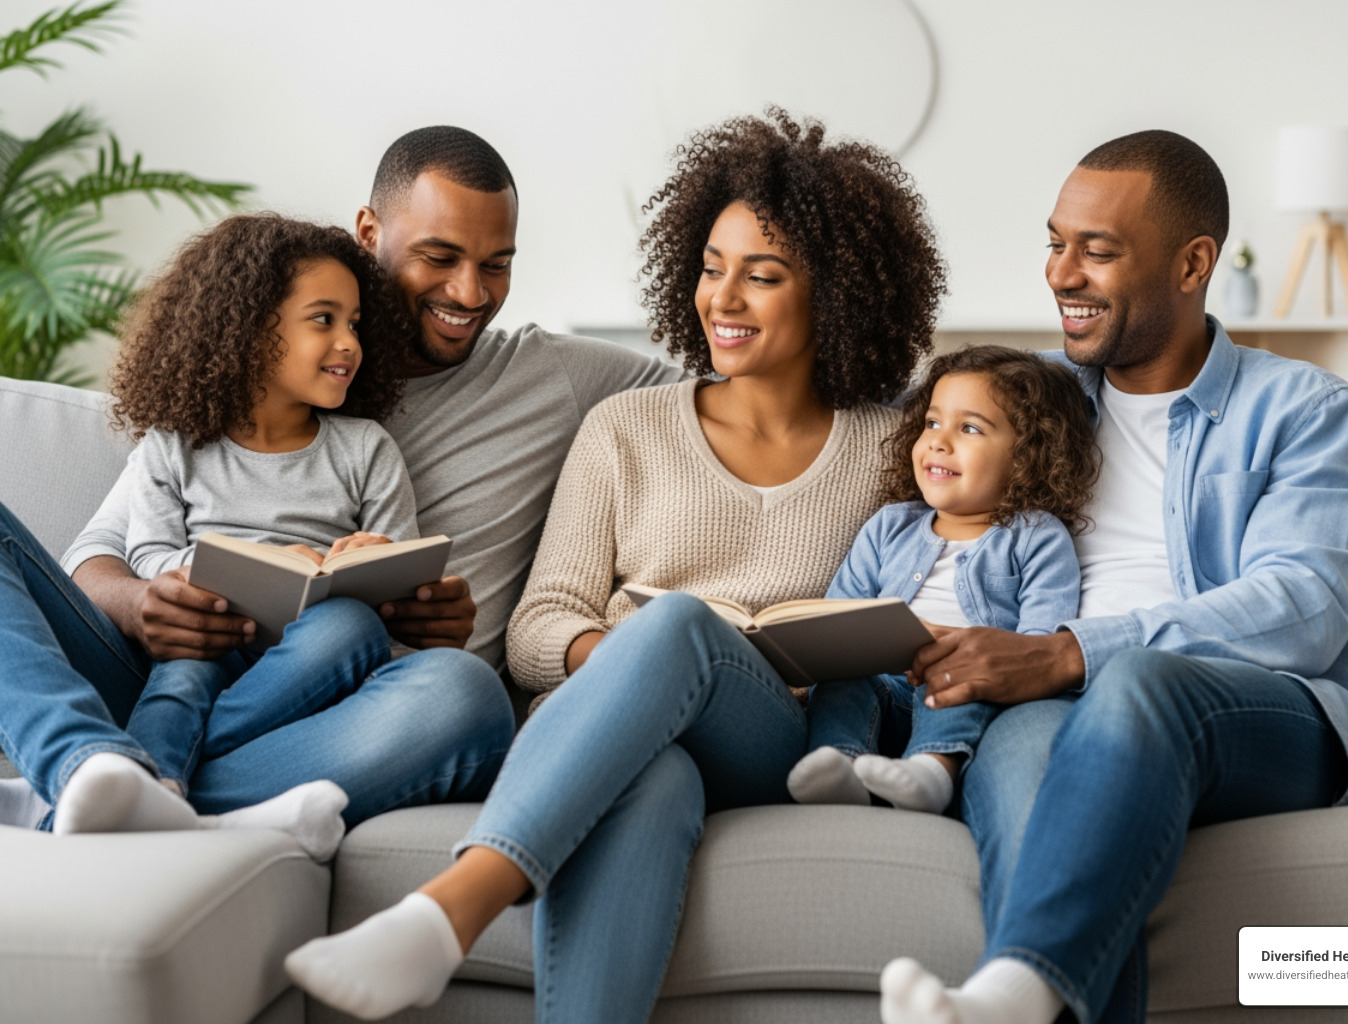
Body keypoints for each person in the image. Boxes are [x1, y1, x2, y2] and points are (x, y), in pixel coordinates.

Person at [284, 109, 948, 1023]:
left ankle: (454, 908)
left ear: (833, 293)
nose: (724, 299)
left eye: (762, 277)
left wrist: (689, 647)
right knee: (656, 761)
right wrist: (636, 665)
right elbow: (538, 627)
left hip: (772, 738)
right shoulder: (625, 427)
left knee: (678, 621)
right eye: (712, 270)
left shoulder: (896, 449)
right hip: (615, 727)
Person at [877, 131, 1348, 1024]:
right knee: (1024, 771)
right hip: (1049, 701)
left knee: (1137, 678)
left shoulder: (1304, 409)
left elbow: (1304, 607)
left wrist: (1064, 655)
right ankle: (1012, 996)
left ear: (1192, 263)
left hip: (1259, 708)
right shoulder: (1029, 402)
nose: (1062, 273)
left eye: (1097, 252)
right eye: (1055, 242)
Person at [0, 125, 676, 831]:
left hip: (337, 705)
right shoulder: (224, 402)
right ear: (369, 230)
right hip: (164, 671)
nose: (470, 291)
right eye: (439, 256)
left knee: (463, 694)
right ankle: (86, 760)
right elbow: (96, 560)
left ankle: (110, 787)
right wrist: (147, 603)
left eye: (497, 264)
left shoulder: (548, 378)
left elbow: (725, 387)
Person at [50, 215, 428, 855]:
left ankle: (145, 778)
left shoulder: (365, 449)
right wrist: (248, 563)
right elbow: (146, 556)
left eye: (355, 324)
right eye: (323, 319)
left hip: (310, 659)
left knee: (352, 627)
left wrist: (375, 556)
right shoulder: (173, 446)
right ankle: (157, 785)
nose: (348, 343)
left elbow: (403, 570)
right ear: (250, 330)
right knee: (185, 672)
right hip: (205, 637)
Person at [788, 346, 1096, 815]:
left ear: (1029, 454)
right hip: (884, 690)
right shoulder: (890, 526)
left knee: (961, 677)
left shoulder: (1037, 536)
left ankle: (932, 771)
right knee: (844, 684)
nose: (938, 441)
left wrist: (979, 656)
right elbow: (836, 617)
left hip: (967, 692)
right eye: (932, 423)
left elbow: (1041, 642)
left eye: (969, 428)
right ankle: (841, 770)